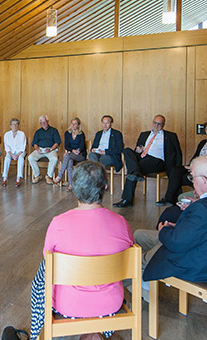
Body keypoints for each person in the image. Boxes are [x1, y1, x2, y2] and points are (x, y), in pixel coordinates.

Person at [30, 161, 134, 340]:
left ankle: (39, 330)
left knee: (43, 273)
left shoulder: (58, 224)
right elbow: (127, 258)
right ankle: (96, 332)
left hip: (68, 304)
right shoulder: (121, 223)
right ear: (106, 187)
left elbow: (48, 259)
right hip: (110, 304)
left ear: (74, 188)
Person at [134, 156, 207, 297]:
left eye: (192, 178)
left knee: (140, 257)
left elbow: (176, 243)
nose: (192, 182)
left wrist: (164, 230)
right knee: (140, 235)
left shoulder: (204, 208)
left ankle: (144, 290)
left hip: (203, 267)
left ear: (204, 180)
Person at [113, 115, 182, 208]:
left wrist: (178, 166)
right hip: (142, 158)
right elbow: (137, 150)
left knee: (134, 169)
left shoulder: (170, 136)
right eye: (155, 122)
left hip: (157, 161)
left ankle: (127, 200)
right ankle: (136, 172)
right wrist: (138, 150)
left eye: (159, 123)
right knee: (127, 151)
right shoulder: (144, 134)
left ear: (163, 125)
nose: (156, 125)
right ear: (152, 122)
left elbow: (178, 152)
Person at [156, 119, 207, 206]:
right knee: (176, 170)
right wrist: (191, 165)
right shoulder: (203, 143)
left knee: (178, 178)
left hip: (205, 170)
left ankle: (171, 199)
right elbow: (195, 156)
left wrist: (196, 167)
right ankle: (169, 198)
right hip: (194, 167)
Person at [53, 117, 86, 192]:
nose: (73, 125)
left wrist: (77, 151)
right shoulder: (67, 133)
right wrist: (72, 151)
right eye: (72, 123)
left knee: (67, 155)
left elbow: (82, 146)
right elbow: (66, 146)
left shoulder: (81, 134)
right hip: (72, 154)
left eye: (75, 124)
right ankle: (71, 185)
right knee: (70, 161)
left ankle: (59, 176)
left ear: (78, 125)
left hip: (80, 155)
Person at [28, 115, 62, 185]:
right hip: (40, 149)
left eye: (45, 122)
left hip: (51, 149)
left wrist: (51, 149)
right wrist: (38, 149)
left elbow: (57, 143)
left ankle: (48, 176)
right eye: (41, 122)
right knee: (30, 157)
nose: (43, 124)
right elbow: (35, 144)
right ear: (40, 123)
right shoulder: (38, 132)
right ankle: (37, 175)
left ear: (48, 121)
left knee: (54, 158)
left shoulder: (54, 130)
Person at [2, 118, 27, 188]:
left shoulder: (22, 134)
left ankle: (18, 179)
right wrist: (12, 155)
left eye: (16, 124)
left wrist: (17, 155)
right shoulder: (7, 134)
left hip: (20, 152)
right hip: (10, 152)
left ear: (18, 126)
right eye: (13, 124)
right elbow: (6, 147)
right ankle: (4, 178)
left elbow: (23, 146)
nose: (15, 126)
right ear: (10, 126)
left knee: (21, 159)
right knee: (7, 158)